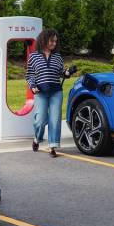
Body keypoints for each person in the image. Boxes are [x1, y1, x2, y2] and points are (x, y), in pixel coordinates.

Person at [25, 29, 75, 158]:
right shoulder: (34, 56)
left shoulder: (57, 56)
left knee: (55, 119)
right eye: (52, 40)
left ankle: (53, 146)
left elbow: (61, 73)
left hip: (56, 92)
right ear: (44, 39)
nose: (54, 43)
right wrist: (33, 86)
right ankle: (37, 138)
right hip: (40, 92)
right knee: (40, 120)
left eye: (55, 41)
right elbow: (29, 75)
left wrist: (68, 72)